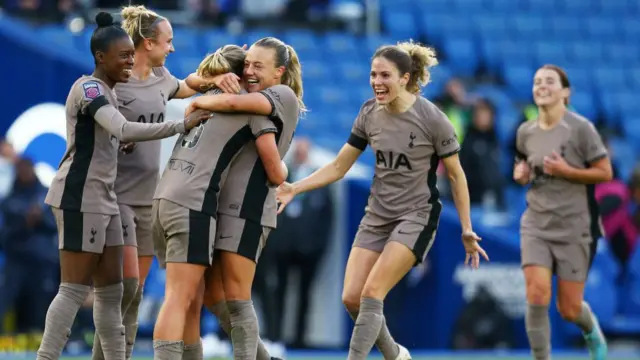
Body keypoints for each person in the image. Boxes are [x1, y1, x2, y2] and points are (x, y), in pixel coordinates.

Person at [276, 41, 488, 360]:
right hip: (376, 215)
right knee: (351, 298)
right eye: (373, 74)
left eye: (385, 75)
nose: (377, 81)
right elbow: (338, 166)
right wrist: (295, 188)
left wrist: (467, 229)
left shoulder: (432, 119)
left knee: (373, 294)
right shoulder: (368, 113)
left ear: (405, 78)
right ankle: (395, 354)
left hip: (416, 215)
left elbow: (457, 176)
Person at [36, 12, 209, 360]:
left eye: (132, 54)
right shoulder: (89, 88)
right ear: (101, 57)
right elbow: (123, 128)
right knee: (72, 289)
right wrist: (181, 125)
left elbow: (112, 138)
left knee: (117, 291)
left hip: (107, 198)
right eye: (123, 55)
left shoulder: (112, 90)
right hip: (79, 195)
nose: (130, 61)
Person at [90, 5, 219, 360]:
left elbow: (186, 85)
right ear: (148, 43)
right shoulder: (116, 78)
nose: (172, 48)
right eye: (168, 41)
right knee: (125, 285)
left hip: (149, 197)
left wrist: (215, 79)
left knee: (135, 291)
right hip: (114, 195)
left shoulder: (162, 77)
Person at [150, 43, 289, 360]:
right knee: (180, 299)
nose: (253, 73)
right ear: (240, 74)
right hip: (193, 203)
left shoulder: (204, 99)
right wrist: (287, 176)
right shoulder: (249, 108)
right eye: (249, 67)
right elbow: (275, 171)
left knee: (192, 298)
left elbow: (191, 82)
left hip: (162, 197)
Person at [185, 37, 303, 360]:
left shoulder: (282, 95)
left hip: (249, 209)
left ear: (279, 72)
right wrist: (211, 82)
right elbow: (189, 81)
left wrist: (201, 101)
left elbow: (235, 104)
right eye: (246, 64)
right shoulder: (250, 94)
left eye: (258, 66)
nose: (248, 71)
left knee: (237, 297)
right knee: (211, 295)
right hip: (220, 207)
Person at [513, 64, 611, 360]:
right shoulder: (524, 131)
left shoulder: (581, 129)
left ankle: (590, 327)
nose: (541, 86)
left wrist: (567, 170)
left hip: (574, 227)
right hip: (536, 223)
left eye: (549, 81)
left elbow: (605, 172)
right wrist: (521, 175)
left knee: (568, 309)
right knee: (537, 293)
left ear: (565, 92)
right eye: (537, 81)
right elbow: (523, 168)